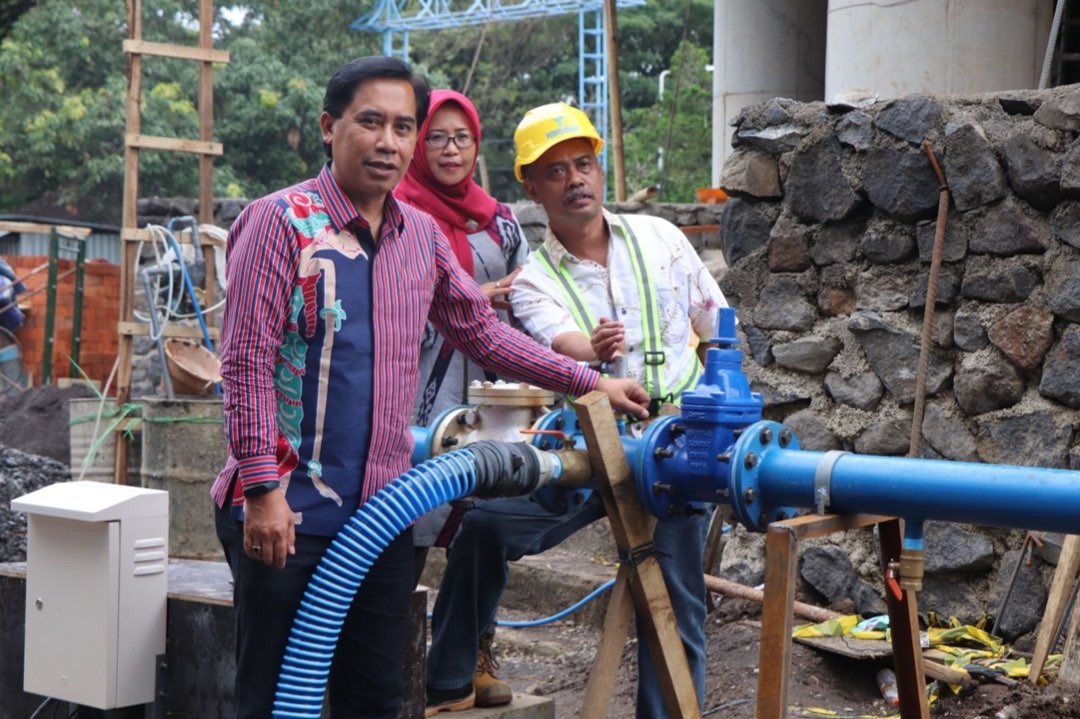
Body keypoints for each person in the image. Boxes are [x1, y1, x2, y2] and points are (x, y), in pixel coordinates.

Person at [210, 59, 649, 719]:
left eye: (403, 127)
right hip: (287, 511)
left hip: (384, 516)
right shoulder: (281, 222)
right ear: (331, 128)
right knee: (276, 697)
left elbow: (483, 334)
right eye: (371, 122)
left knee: (381, 698)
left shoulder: (420, 236)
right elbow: (245, 359)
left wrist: (593, 382)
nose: (388, 141)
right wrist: (262, 488)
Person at [425, 102, 730, 718]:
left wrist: (723, 414)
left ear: (600, 166)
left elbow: (717, 328)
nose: (575, 180)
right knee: (484, 528)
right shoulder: (533, 279)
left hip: (676, 452)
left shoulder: (661, 239)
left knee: (675, 611)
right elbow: (556, 343)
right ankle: (449, 677)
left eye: (583, 164)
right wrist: (590, 356)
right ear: (530, 186)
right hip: (587, 449)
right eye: (556, 171)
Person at [394, 89, 528, 427]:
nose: (451, 149)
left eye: (462, 137)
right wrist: (465, 302)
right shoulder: (393, 218)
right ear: (418, 143)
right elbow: (384, 313)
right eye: (436, 137)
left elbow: (529, 302)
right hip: (417, 400)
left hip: (498, 399)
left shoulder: (501, 222)